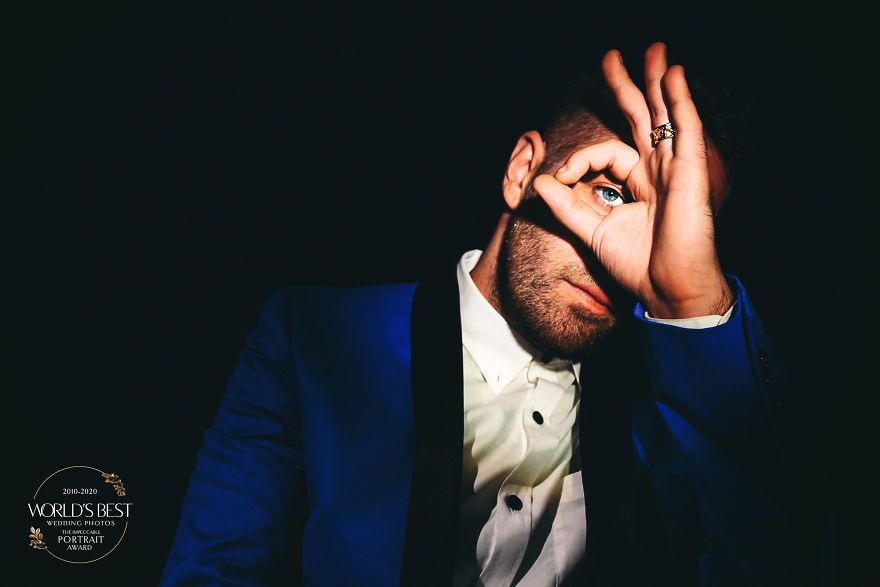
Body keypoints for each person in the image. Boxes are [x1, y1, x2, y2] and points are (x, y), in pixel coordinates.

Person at [160, 42, 795, 586]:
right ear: (523, 171)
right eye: (610, 192)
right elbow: (214, 567)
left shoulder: (681, 416)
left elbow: (777, 563)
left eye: (674, 222)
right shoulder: (316, 338)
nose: (625, 252)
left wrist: (693, 303)